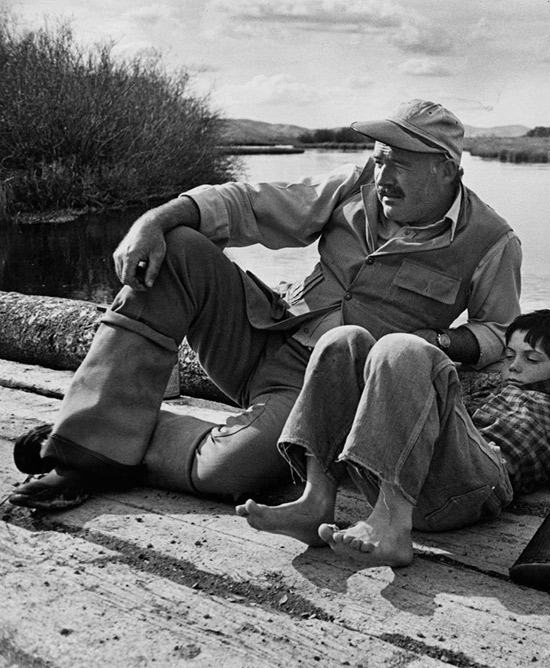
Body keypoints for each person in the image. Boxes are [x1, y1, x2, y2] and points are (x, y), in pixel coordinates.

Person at [9, 100, 522, 511]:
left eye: (401, 164)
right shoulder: (357, 182)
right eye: (381, 158)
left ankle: (90, 438)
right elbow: (248, 204)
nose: (383, 175)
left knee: (227, 474)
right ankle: (85, 453)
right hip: (264, 333)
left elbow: (498, 330)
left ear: (447, 169)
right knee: (181, 246)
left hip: (319, 391)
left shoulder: (493, 240)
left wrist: (438, 342)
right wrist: (153, 220)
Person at [237, 309, 550, 567]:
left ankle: (392, 527)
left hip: (475, 484)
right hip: (405, 472)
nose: (513, 367)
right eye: (509, 356)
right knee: (344, 340)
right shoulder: (485, 389)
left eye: (531, 359)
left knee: (401, 347)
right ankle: (316, 500)